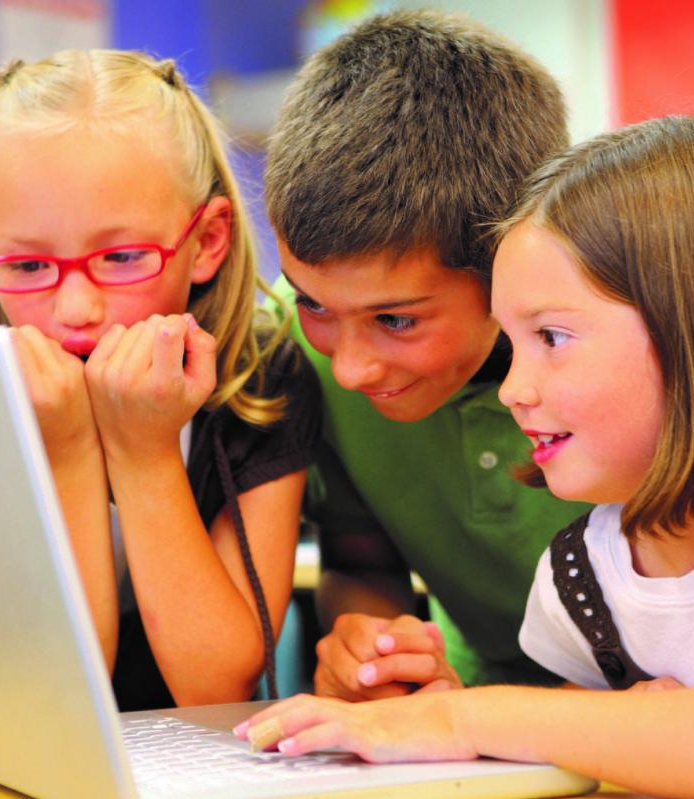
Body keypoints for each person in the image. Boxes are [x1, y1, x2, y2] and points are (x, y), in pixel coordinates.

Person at [237, 114, 694, 796]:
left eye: (550, 338)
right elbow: (582, 744)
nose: (515, 388)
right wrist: (428, 711)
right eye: (512, 345)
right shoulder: (589, 570)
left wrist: (464, 720)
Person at [0, 49, 320, 710]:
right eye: (28, 266)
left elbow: (217, 685)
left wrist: (143, 453)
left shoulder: (261, 378)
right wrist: (68, 454)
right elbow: (49, 698)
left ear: (206, 240)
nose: (75, 311)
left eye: (120, 257)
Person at [263, 9, 590, 699]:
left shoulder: (637, 352)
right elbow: (360, 555)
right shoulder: (299, 353)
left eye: (395, 319)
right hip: (475, 713)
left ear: (509, 261)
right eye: (313, 302)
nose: (350, 368)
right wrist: (375, 652)